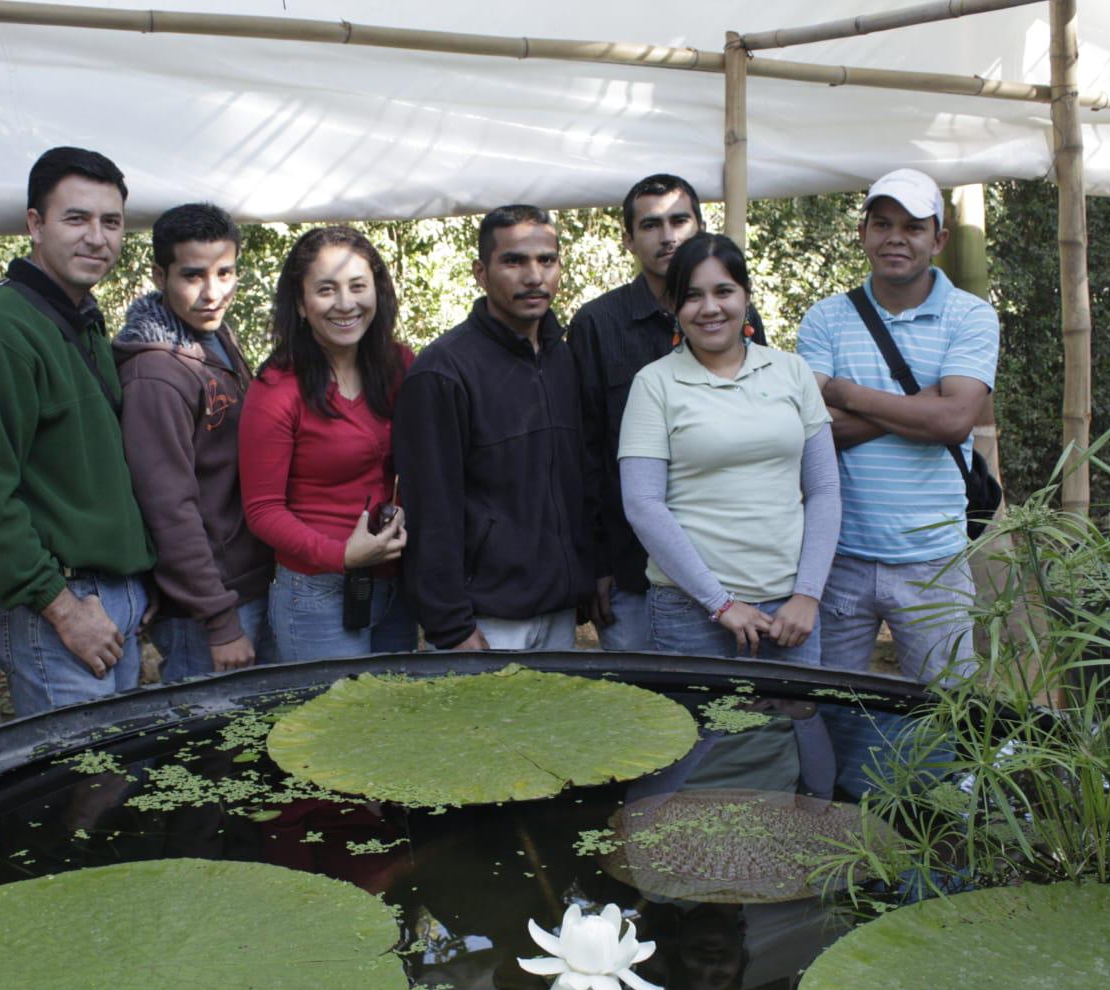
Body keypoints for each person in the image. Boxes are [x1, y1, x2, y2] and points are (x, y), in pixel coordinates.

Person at [796, 167, 999, 796]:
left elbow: (957, 418)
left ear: (938, 239)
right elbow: (811, 430)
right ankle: (845, 827)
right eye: (882, 224)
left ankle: (935, 829)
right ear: (862, 233)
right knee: (832, 708)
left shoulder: (972, 316)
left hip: (934, 561)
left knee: (948, 712)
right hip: (840, 557)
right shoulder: (826, 319)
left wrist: (848, 393)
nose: (896, 238)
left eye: (913, 226)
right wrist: (923, 410)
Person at [0, 147, 155, 716]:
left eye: (111, 222)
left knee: (120, 785)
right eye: (76, 219)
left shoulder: (82, 320)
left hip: (114, 596)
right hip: (60, 607)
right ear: (35, 224)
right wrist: (62, 608)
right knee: (85, 795)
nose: (96, 238)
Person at [619, 233, 838, 796]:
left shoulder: (791, 373)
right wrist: (720, 603)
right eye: (692, 295)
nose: (709, 307)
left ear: (746, 295)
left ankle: (795, 874)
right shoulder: (655, 384)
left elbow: (824, 491)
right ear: (672, 305)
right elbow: (643, 504)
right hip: (692, 612)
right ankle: (689, 878)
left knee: (802, 751)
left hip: (791, 610)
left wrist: (807, 594)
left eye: (724, 290)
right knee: (691, 762)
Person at [570, 174, 765, 651]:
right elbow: (583, 450)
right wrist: (595, 565)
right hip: (630, 568)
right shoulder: (597, 324)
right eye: (651, 225)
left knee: (738, 715)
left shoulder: (737, 317)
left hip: (733, 564)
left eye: (680, 220)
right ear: (629, 239)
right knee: (649, 713)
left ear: (699, 226)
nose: (668, 236)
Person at [394, 205, 593, 651]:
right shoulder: (443, 371)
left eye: (546, 260)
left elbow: (577, 482)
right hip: (485, 618)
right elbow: (431, 510)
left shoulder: (564, 358)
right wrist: (451, 625)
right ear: (481, 273)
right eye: (514, 261)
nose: (534, 276)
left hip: (558, 609)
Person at [238, 226, 415, 661]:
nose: (345, 304)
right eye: (325, 290)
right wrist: (341, 554)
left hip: (397, 582)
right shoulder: (277, 389)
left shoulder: (400, 366)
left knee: (396, 723)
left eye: (358, 286)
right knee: (337, 726)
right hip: (315, 592)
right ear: (300, 303)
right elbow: (262, 510)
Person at [115, 203, 274, 682]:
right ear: (159, 275)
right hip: (206, 613)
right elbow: (169, 507)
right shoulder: (155, 375)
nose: (213, 292)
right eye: (193, 275)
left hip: (244, 587)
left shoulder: (216, 338)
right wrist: (220, 622)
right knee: (216, 752)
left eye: (225, 272)